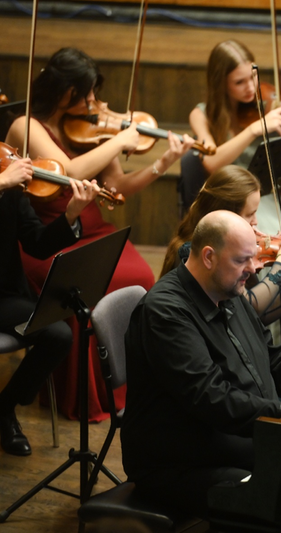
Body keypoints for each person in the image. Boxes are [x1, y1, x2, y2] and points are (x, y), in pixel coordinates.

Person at [4, 47, 195, 421]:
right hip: (48, 236)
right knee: (82, 291)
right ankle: (84, 396)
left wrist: (163, 162)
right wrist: (119, 141)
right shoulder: (26, 125)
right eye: (86, 93)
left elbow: (118, 186)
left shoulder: (86, 129)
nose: (95, 103)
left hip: (89, 227)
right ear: (65, 92)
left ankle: (129, 386)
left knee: (139, 277)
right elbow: (69, 171)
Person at [123, 210, 281, 517]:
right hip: (180, 462)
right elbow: (213, 398)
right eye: (242, 260)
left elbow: (273, 357)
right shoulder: (165, 312)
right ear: (209, 256)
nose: (254, 268)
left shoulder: (227, 288)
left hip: (229, 438)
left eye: (252, 258)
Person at [0, 157, 100, 455]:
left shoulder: (11, 186)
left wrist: (71, 213)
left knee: (59, 334)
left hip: (6, 297)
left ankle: (4, 407)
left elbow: (38, 243)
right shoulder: (5, 179)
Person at [189, 40, 281, 235]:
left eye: (253, 77)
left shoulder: (268, 111)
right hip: (232, 203)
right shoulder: (202, 115)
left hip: (271, 200)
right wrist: (254, 130)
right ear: (221, 83)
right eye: (239, 82)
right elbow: (211, 162)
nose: (251, 87)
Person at [161, 165, 281, 325]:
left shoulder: (230, 248)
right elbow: (249, 307)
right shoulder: (194, 253)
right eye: (250, 214)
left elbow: (258, 318)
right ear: (226, 213)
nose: (256, 222)